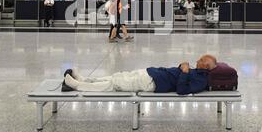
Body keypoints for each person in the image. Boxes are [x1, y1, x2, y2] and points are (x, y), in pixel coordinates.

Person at [62, 54, 217, 95]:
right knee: (116, 76)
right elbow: (180, 75)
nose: (198, 59)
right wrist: (183, 68)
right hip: (150, 73)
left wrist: (184, 71)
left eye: (202, 59)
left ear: (207, 66)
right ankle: (84, 79)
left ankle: (77, 86)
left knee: (115, 84)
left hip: (152, 83)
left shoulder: (201, 80)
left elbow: (182, 90)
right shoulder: (197, 72)